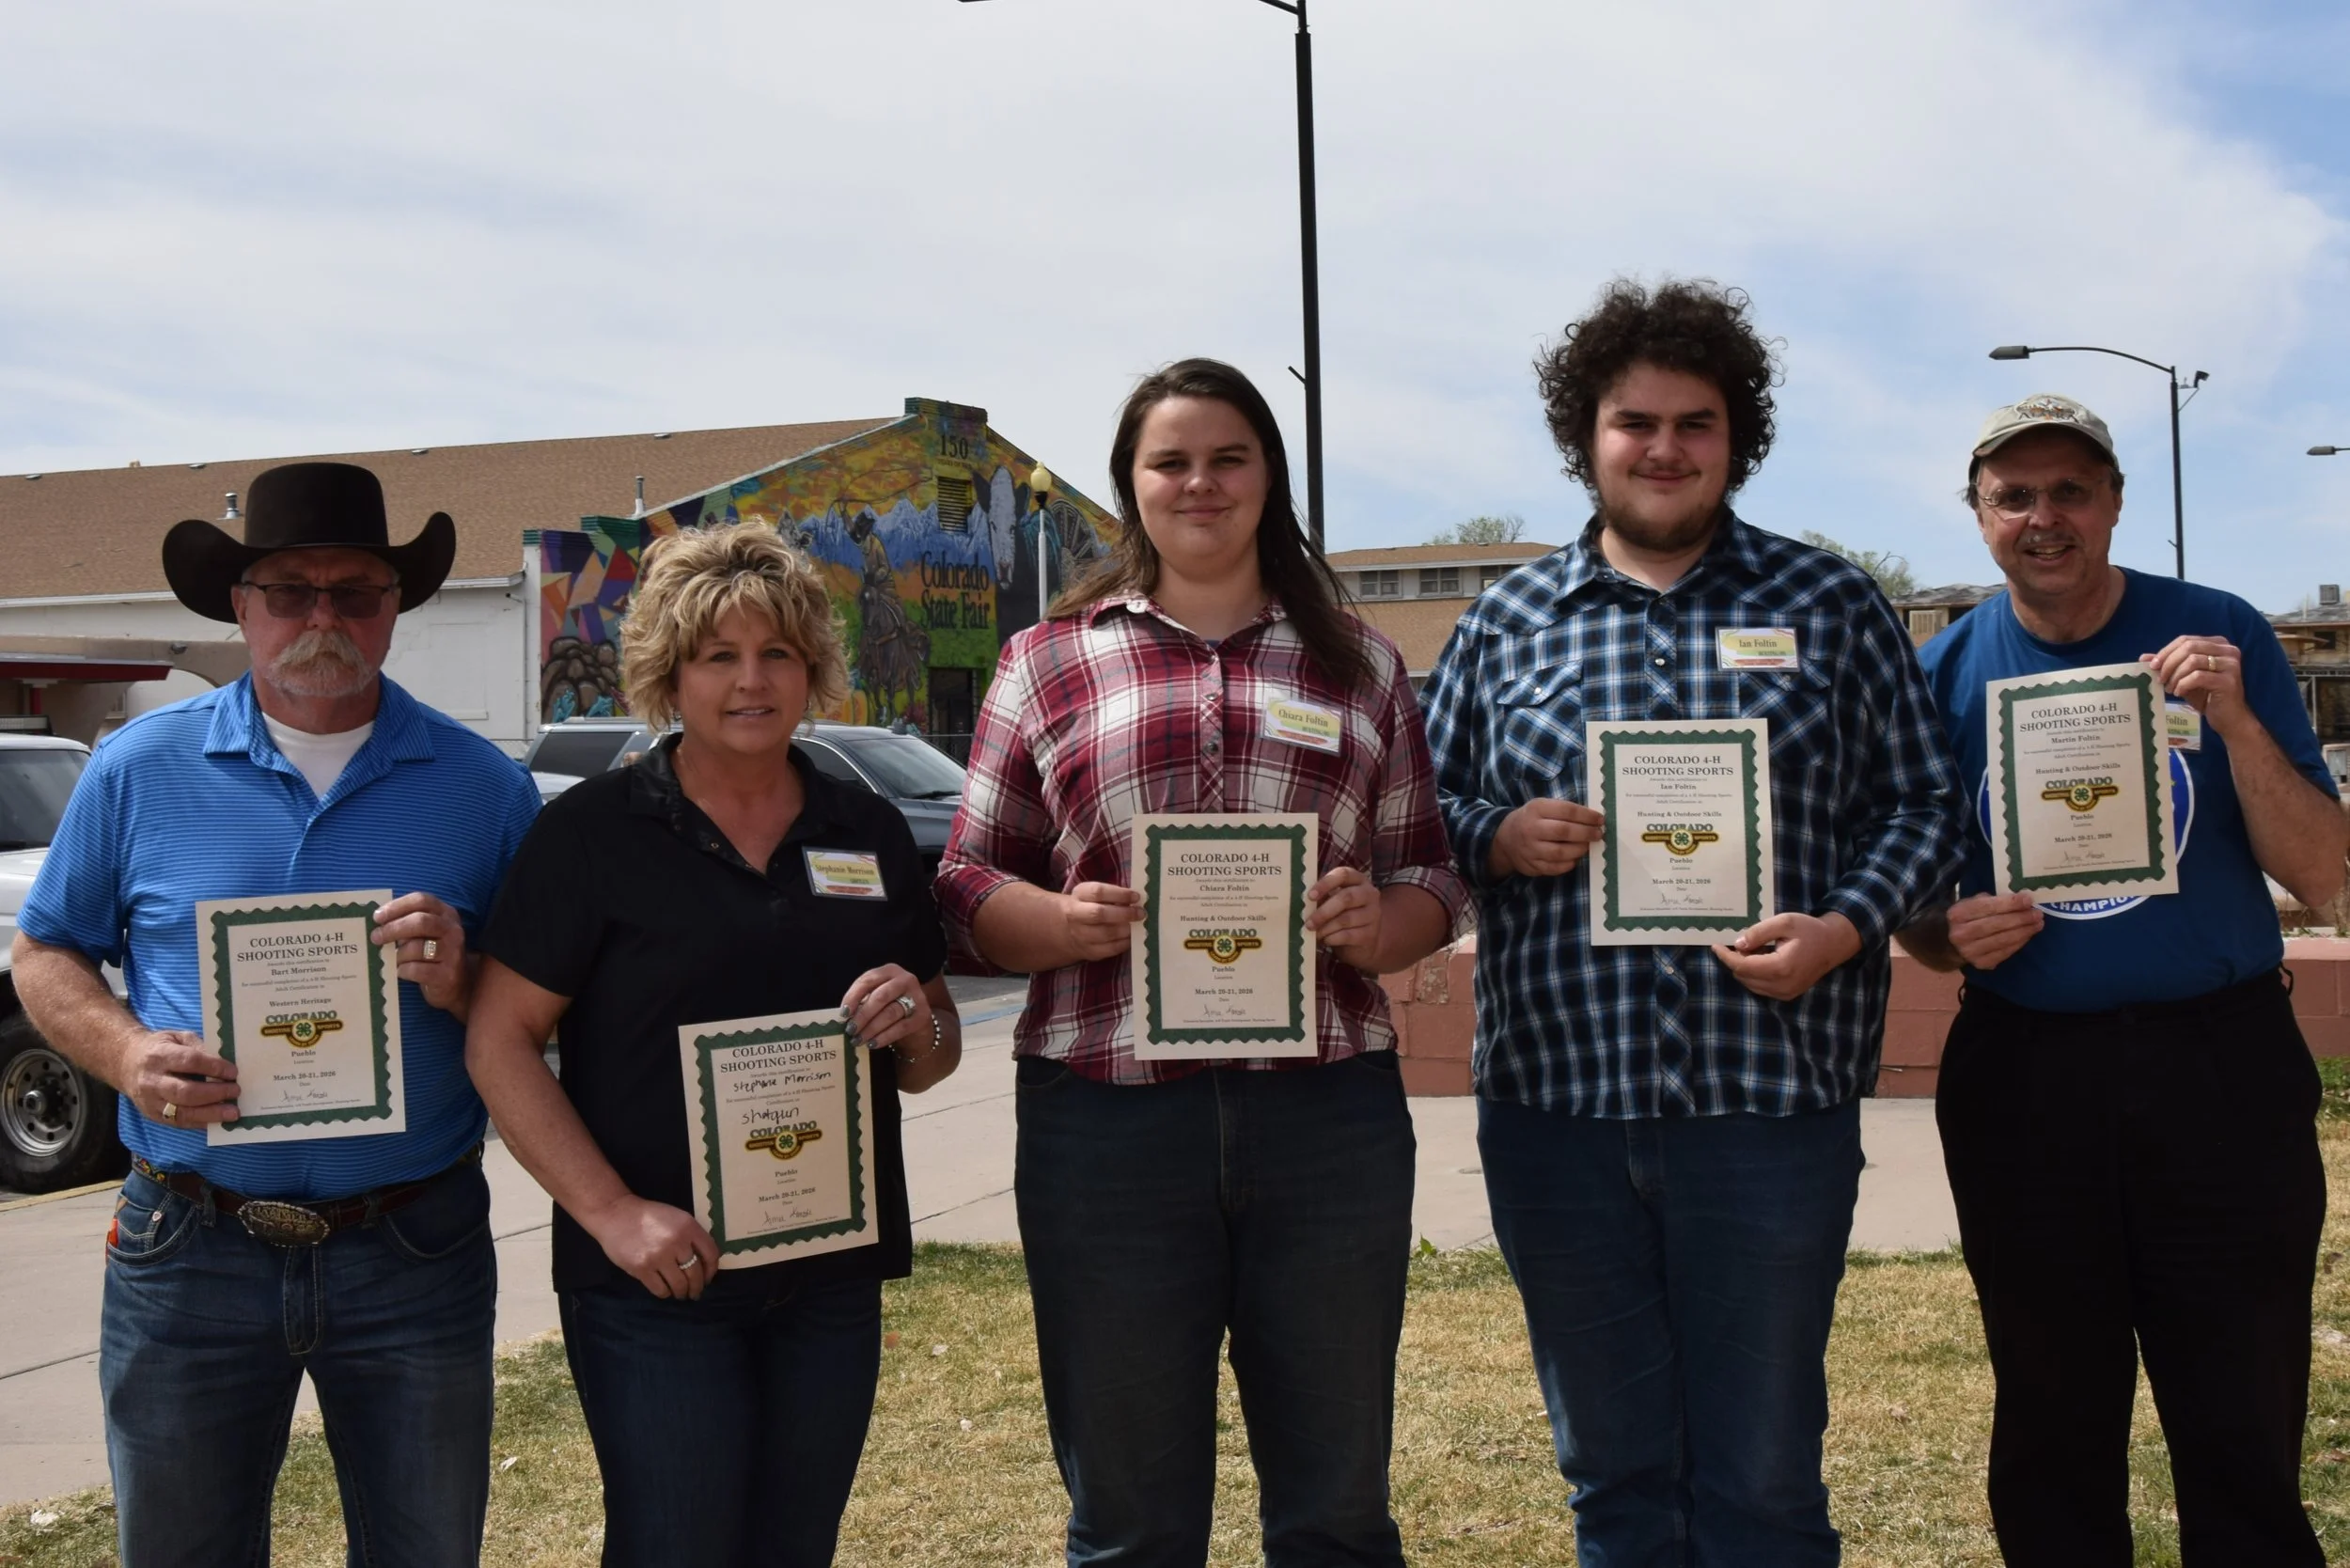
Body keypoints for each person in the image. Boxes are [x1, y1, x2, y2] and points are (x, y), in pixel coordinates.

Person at [1418, 278, 1966, 1565]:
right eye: (1634, 421)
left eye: (1695, 423)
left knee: (1765, 1481)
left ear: (1736, 438)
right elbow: (1416, 810)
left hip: (1771, 1107)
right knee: (1612, 1479)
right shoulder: (1507, 621)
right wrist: (1493, 832)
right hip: (1560, 1110)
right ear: (1587, 437)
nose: (1663, 447)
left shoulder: (1830, 605)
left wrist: (1840, 927)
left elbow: (1925, 805)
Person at [935, 357, 1468, 1567]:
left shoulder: (1362, 665)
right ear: (1132, 485)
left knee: (1336, 1510)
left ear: (1267, 476)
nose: (1201, 481)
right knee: (1128, 1519)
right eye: (1170, 460)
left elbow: (1431, 874)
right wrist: (1059, 922)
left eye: (1229, 456)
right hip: (1107, 1123)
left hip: (1325, 1116)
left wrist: (1372, 927)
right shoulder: (1046, 660)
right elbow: (967, 888)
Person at [10, 462, 541, 1567]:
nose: (323, 617)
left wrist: (464, 976)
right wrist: (125, 1051)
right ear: (240, 606)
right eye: (291, 590)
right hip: (187, 1242)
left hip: (413, 1244)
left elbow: (547, 1004)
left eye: (357, 592)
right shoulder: (137, 767)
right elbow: (45, 951)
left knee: (424, 1549)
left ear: (396, 610)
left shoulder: (484, 788)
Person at [1899, 393, 2343, 1567]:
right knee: (2050, 1409)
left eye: (2070, 492)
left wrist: (2236, 719)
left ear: (2112, 504)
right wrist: (1947, 932)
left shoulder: (2217, 631)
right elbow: (1918, 913)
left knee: (2242, 1405)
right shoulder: (1941, 674)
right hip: (2025, 1072)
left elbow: (2325, 873)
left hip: (2220, 1060)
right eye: (2014, 497)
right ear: (1980, 516)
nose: (2044, 518)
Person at [465, 523, 961, 1568]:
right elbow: (500, 1041)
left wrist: (918, 1027)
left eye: (776, 653)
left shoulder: (862, 828)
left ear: (811, 667)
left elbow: (935, 1044)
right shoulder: (595, 835)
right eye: (718, 657)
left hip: (827, 1277)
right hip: (661, 1284)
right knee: (673, 1545)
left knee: (796, 1547)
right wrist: (611, 1216)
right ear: (668, 674)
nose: (751, 681)